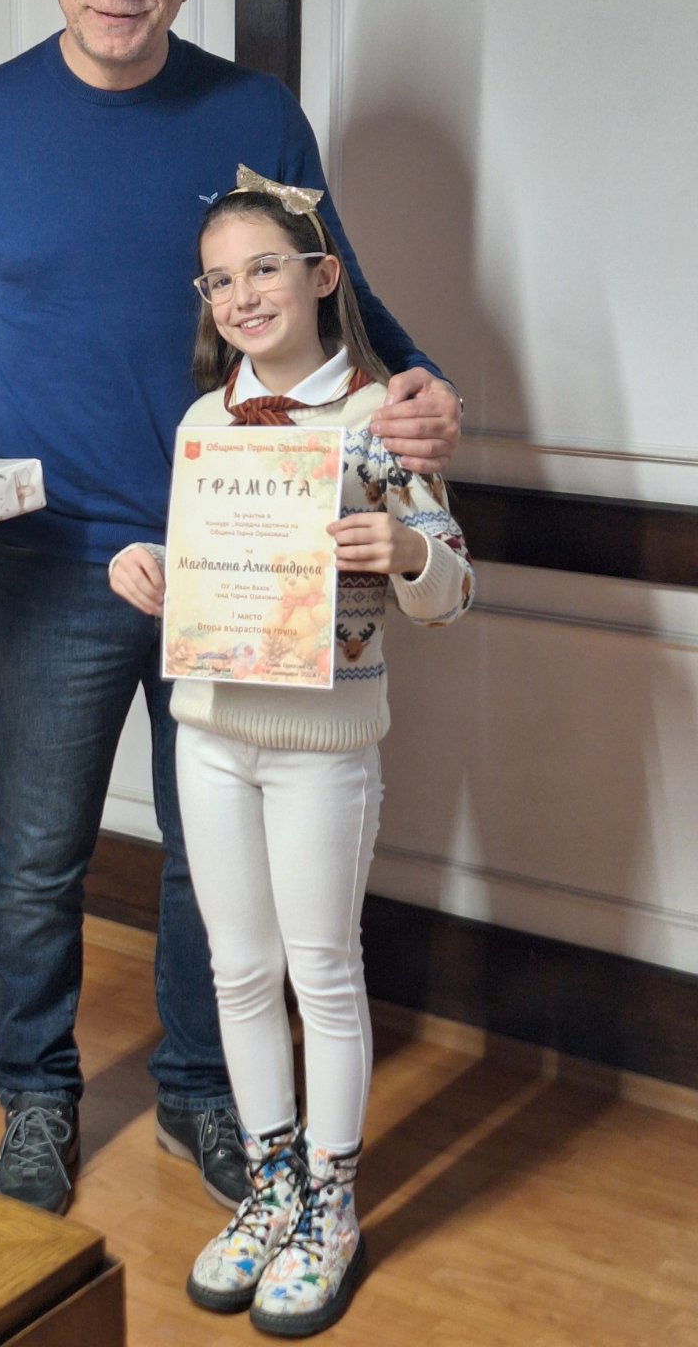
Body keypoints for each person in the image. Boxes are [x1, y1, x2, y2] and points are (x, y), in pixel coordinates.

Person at [0, 0, 463, 1216]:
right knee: (38, 852)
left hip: (244, 555)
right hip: (60, 554)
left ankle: (205, 1093)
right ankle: (36, 1096)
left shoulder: (253, 113)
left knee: (214, 859)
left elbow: (338, 286)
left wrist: (418, 383)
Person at [108, 170, 474, 1334]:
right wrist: (147, 571)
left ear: (321, 276)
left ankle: (332, 1204)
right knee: (237, 969)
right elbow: (204, 571)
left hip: (323, 743)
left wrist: (406, 553)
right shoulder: (202, 423)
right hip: (212, 731)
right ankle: (270, 1187)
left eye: (264, 267)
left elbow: (452, 590)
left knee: (321, 967)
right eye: (219, 280)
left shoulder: (378, 420)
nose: (242, 295)